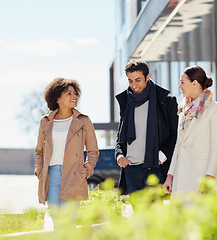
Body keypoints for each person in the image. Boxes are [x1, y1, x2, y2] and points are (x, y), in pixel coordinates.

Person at [34, 78, 99, 226]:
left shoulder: (83, 121)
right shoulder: (45, 122)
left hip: (74, 175)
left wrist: (86, 171)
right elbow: (39, 151)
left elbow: (93, 150)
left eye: (75, 93)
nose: (74, 96)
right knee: (57, 222)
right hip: (51, 176)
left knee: (68, 222)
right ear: (57, 98)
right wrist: (39, 169)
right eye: (68, 93)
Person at [115, 60, 178, 194]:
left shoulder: (165, 100)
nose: (134, 85)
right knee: (138, 215)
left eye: (138, 80)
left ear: (147, 77)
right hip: (131, 168)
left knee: (156, 214)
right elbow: (120, 133)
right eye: (130, 81)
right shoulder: (126, 100)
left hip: (155, 167)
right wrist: (119, 155)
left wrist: (161, 157)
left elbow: (175, 134)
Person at [163, 65, 217, 195]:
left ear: (195, 83)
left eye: (182, 82)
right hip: (181, 175)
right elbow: (178, 146)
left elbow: (216, 146)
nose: (180, 86)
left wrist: (210, 177)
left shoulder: (215, 108)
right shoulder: (184, 110)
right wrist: (170, 176)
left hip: (201, 176)